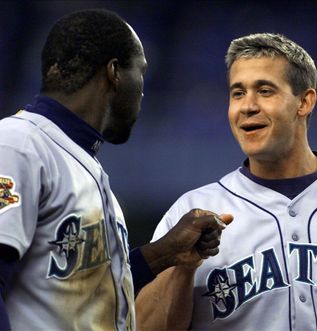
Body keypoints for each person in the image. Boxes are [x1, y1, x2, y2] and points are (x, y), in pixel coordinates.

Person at [136, 33, 317, 330]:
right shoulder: (193, 210)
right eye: (237, 93)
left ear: (304, 101)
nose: (247, 106)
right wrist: (183, 269)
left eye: (264, 91)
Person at [0, 9, 233, 331]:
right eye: (140, 73)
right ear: (114, 72)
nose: (141, 91)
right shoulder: (17, 144)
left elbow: (90, 291)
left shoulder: (80, 161)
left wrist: (164, 253)